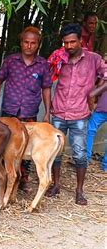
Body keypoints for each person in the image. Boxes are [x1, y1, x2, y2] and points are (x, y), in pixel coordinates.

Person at [46, 23, 107, 205]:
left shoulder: (94, 59)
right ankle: (55, 185)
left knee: (80, 154)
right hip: (58, 112)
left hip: (80, 114)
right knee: (55, 152)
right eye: (66, 43)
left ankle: (79, 191)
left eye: (73, 42)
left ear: (81, 40)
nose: (69, 46)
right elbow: (46, 78)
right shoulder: (59, 57)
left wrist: (93, 93)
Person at [0, 26, 52, 192]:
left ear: (38, 44)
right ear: (21, 42)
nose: (29, 46)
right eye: (26, 42)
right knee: (4, 146)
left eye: (33, 43)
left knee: (26, 147)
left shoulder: (43, 65)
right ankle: (0, 180)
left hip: (29, 113)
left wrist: (47, 112)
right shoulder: (11, 61)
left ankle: (22, 179)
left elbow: (46, 88)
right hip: (9, 111)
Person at [87, 81, 107, 172]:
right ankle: (105, 166)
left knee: (90, 132)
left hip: (102, 107)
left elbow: (99, 86)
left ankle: (85, 160)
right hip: (102, 107)